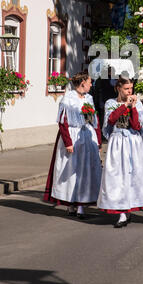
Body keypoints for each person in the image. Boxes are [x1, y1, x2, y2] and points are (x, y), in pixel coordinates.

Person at [43, 72, 102, 219]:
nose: (90, 84)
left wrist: (98, 139)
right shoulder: (68, 99)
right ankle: (71, 204)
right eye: (89, 82)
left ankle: (81, 205)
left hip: (87, 137)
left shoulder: (89, 98)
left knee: (85, 172)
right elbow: (63, 122)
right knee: (72, 171)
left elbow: (95, 120)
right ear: (82, 83)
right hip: (73, 136)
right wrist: (68, 143)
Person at [97, 76, 143, 228]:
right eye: (126, 89)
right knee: (117, 176)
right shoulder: (111, 103)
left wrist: (132, 109)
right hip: (117, 142)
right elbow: (111, 120)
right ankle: (121, 212)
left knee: (132, 176)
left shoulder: (137, 105)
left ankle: (128, 208)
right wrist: (125, 105)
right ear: (118, 88)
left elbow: (138, 126)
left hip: (132, 141)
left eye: (131, 89)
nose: (129, 91)